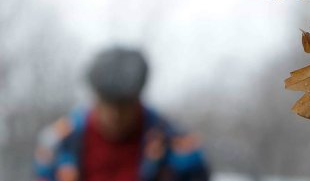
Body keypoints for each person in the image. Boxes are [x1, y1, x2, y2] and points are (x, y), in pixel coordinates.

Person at [33, 47, 210, 181]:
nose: (115, 114)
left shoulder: (178, 146)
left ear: (138, 98)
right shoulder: (59, 143)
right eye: (107, 103)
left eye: (124, 105)